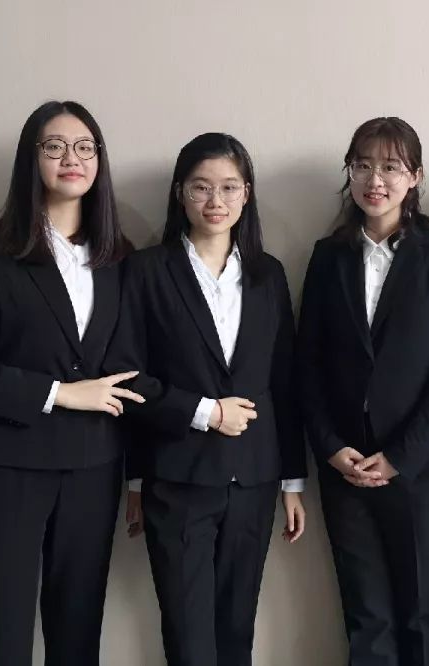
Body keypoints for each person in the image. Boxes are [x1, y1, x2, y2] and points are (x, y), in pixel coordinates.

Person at [0, 100, 144, 665]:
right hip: (8, 468)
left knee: (78, 641)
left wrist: (139, 476)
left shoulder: (121, 257)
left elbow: (131, 372)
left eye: (85, 147)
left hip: (95, 468)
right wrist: (61, 394)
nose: (71, 158)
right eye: (55, 146)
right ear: (32, 158)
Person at [110, 132, 306, 666]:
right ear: (180, 193)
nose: (215, 200)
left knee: (236, 632)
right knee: (189, 639)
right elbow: (127, 376)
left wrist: (292, 480)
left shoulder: (268, 275)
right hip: (177, 478)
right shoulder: (146, 270)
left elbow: (285, 382)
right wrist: (204, 414)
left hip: (255, 479)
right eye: (200, 187)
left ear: (247, 194)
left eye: (229, 187)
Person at [296, 116, 429, 666]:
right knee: (366, 620)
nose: (375, 179)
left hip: (422, 469)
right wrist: (331, 447)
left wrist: (400, 455)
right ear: (349, 173)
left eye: (391, 167)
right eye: (363, 165)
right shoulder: (328, 256)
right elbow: (308, 365)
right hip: (346, 468)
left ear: (415, 176)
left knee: (423, 616)